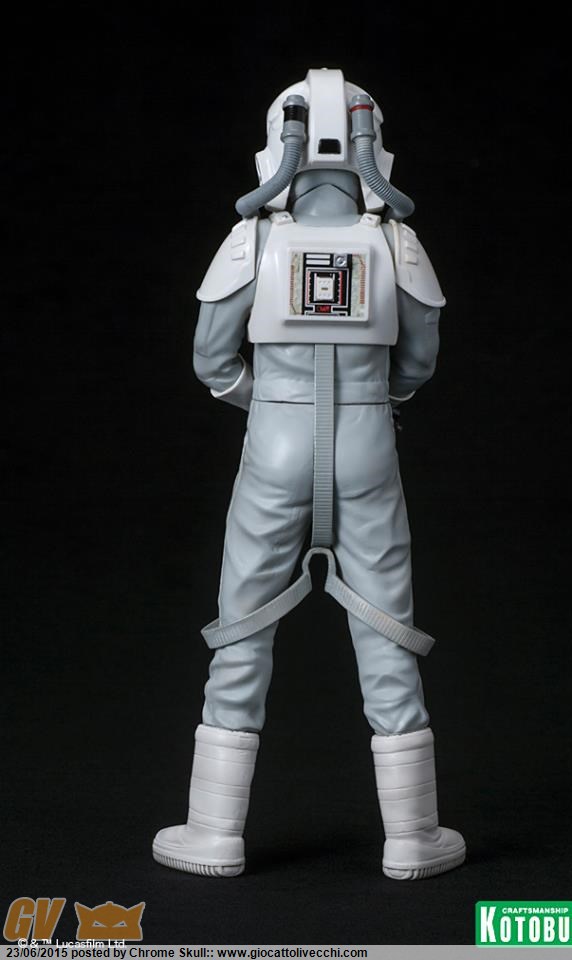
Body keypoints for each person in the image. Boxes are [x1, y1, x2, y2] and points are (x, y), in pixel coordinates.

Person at [152, 68, 466, 881]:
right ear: (373, 142)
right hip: (368, 446)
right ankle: (412, 836)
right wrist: (371, 400)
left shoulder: (253, 239)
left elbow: (211, 359)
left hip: (273, 449)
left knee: (242, 628)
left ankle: (214, 832)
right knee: (387, 629)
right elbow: (420, 359)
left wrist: (269, 405)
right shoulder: (395, 241)